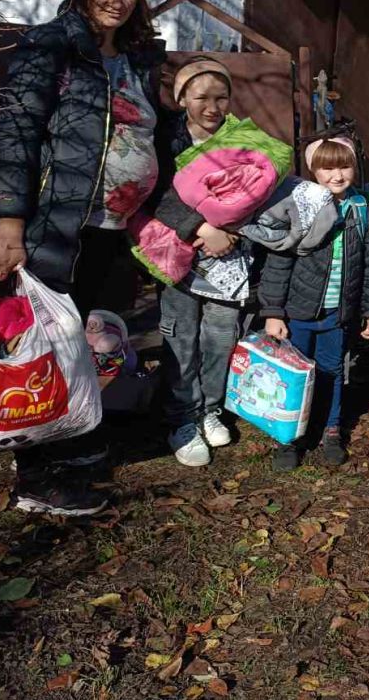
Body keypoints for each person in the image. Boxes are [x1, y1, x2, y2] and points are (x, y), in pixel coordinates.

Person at [0, 0, 166, 515]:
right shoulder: (50, 46)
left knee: (86, 341)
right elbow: (18, 133)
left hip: (110, 227)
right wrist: (10, 226)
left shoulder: (133, 58)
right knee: (40, 348)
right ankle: (36, 479)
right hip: (57, 225)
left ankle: (73, 443)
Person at [259, 136, 369, 470]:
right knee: (293, 375)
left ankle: (330, 429)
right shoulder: (299, 208)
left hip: (337, 313)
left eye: (344, 166)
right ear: (314, 170)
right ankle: (289, 437)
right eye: (327, 167)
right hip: (297, 312)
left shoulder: (363, 212)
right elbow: (279, 261)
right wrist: (273, 311)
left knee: (332, 370)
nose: (336, 175)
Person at [154, 59, 249, 468]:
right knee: (180, 336)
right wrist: (199, 228)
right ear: (181, 99)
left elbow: (257, 188)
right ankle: (182, 417)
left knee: (221, 335)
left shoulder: (242, 139)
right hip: (178, 254)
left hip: (226, 257)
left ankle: (209, 408)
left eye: (221, 97)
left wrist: (231, 231)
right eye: (201, 98)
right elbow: (154, 192)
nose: (212, 107)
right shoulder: (165, 141)